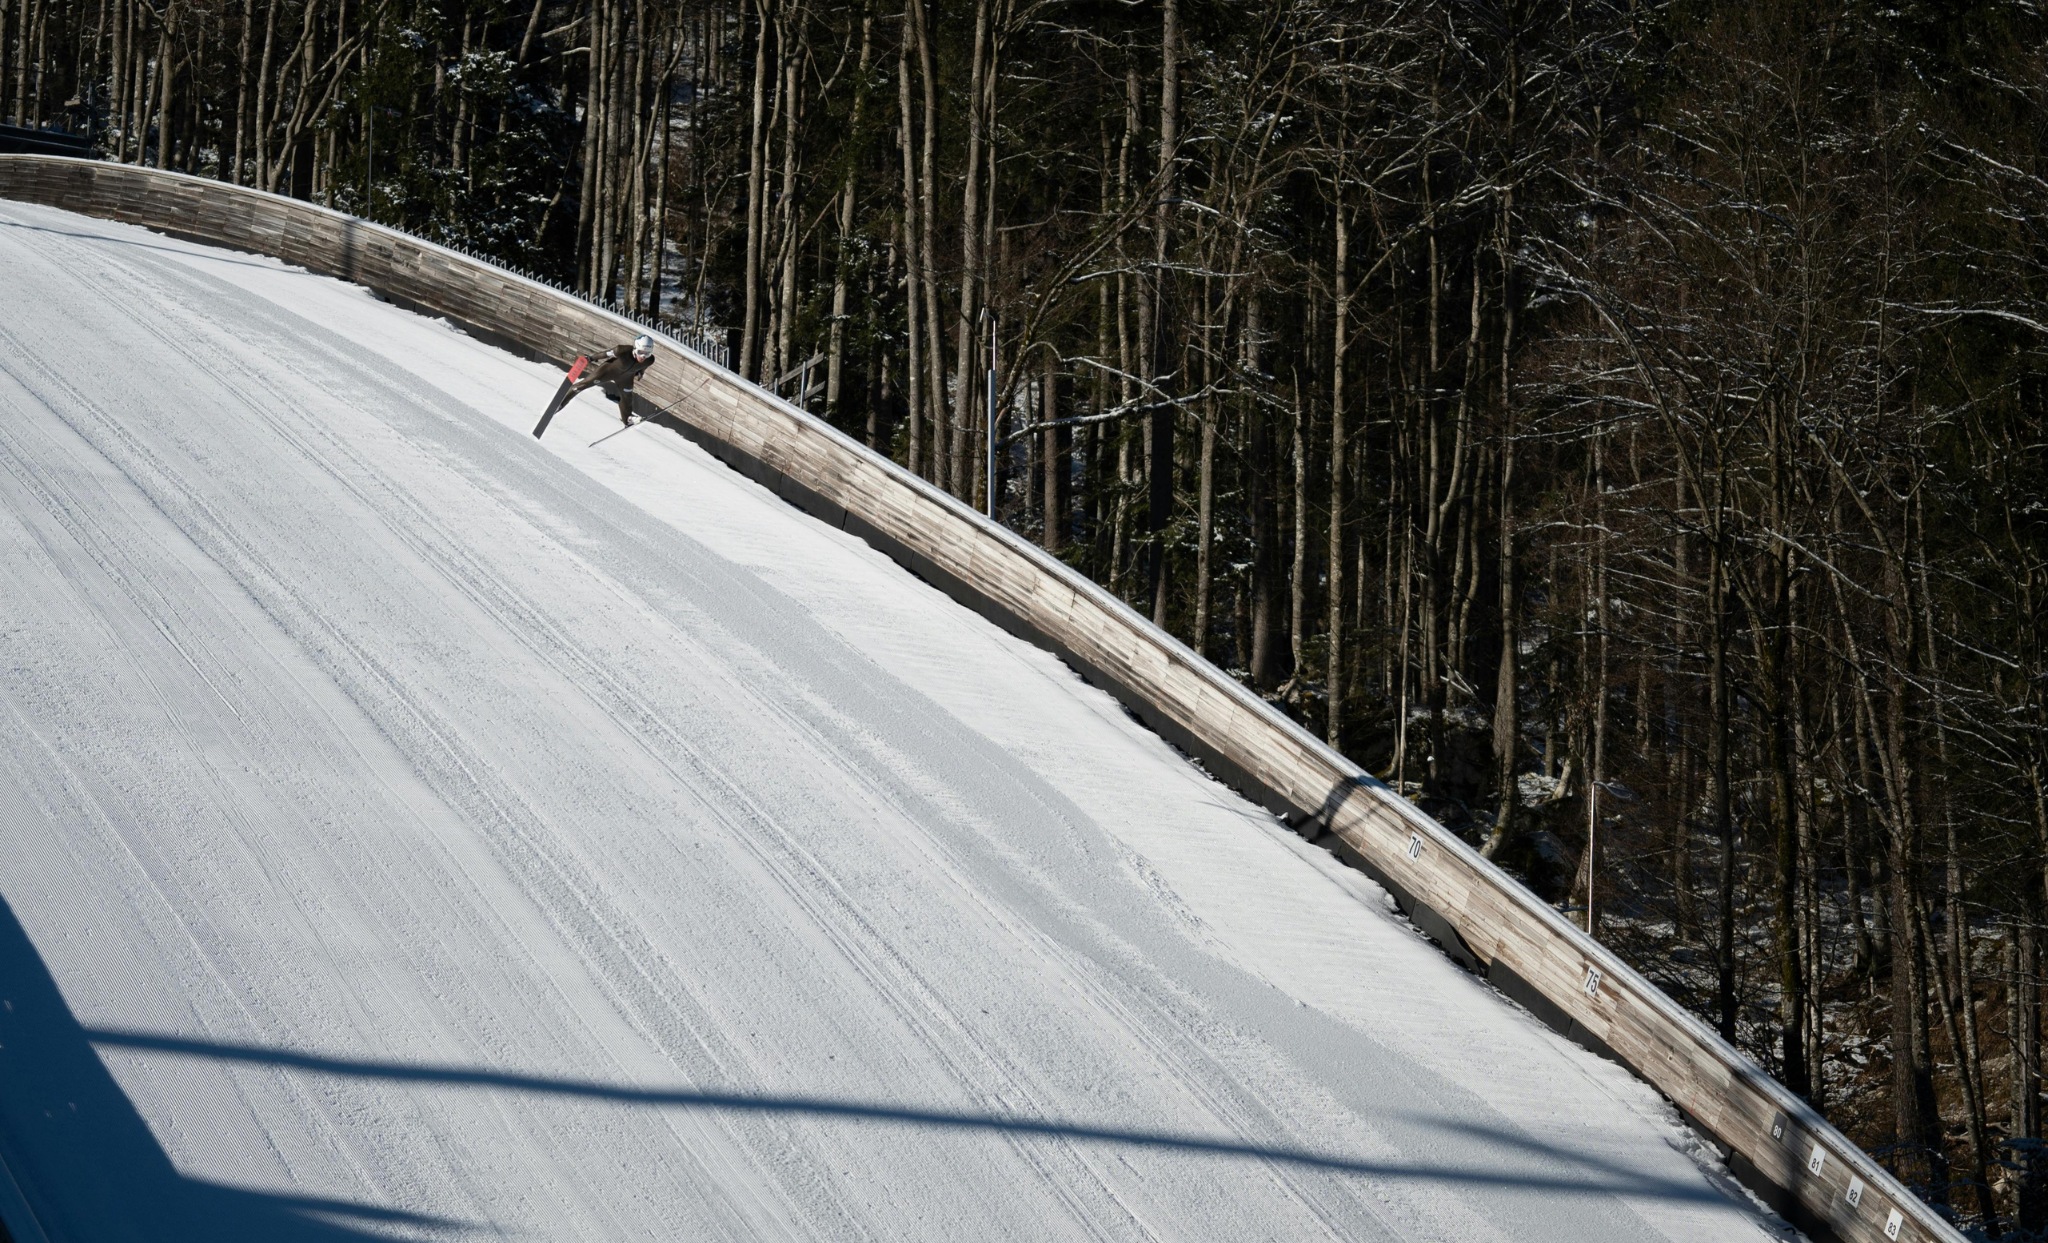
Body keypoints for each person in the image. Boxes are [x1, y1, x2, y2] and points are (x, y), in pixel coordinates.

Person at [570, 335, 657, 425]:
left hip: (626, 378)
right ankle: (563, 400)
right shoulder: (622, 350)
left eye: (647, 353)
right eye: (640, 352)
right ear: (635, 348)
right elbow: (606, 353)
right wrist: (591, 358)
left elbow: (644, 366)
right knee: (583, 385)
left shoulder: (650, 360)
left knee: (627, 397)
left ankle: (628, 418)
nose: (643, 356)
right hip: (608, 371)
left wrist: (640, 372)